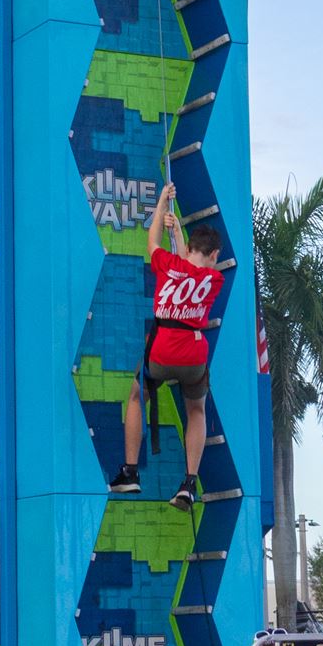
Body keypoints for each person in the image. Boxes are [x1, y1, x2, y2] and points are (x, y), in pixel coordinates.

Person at [108, 184, 225, 511]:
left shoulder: (169, 267)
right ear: (214, 255)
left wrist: (161, 204)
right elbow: (193, 266)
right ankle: (189, 482)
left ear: (189, 247)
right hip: (193, 355)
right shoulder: (215, 281)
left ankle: (130, 470)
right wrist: (180, 236)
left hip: (161, 352)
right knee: (197, 411)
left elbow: (152, 242)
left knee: (136, 396)